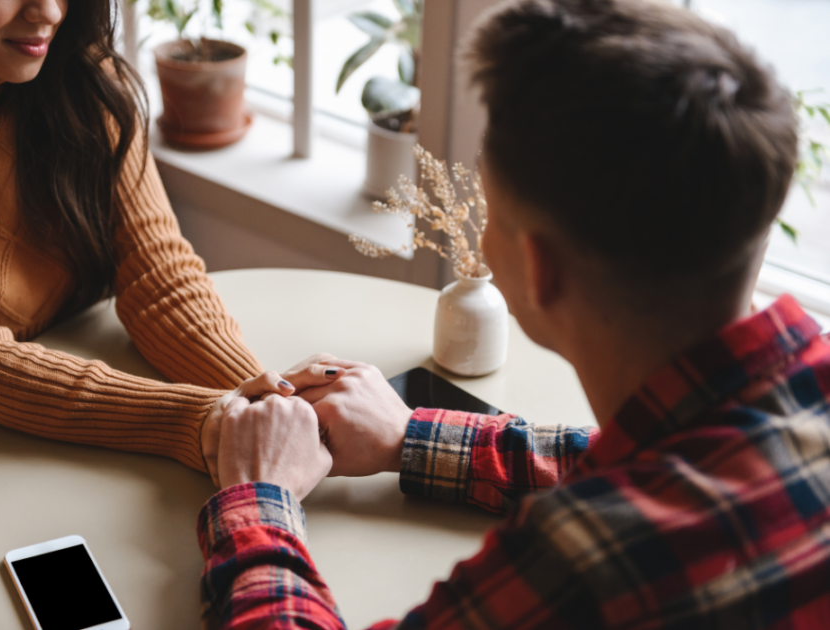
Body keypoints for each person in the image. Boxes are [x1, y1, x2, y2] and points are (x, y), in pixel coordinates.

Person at [195, 0, 830, 627]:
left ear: (538, 266)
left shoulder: (585, 562)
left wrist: (259, 497)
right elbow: (687, 453)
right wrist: (414, 439)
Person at [0, 0, 333, 479]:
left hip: (75, 446)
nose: (49, 12)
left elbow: (159, 280)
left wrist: (265, 400)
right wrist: (201, 419)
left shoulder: (82, 74)